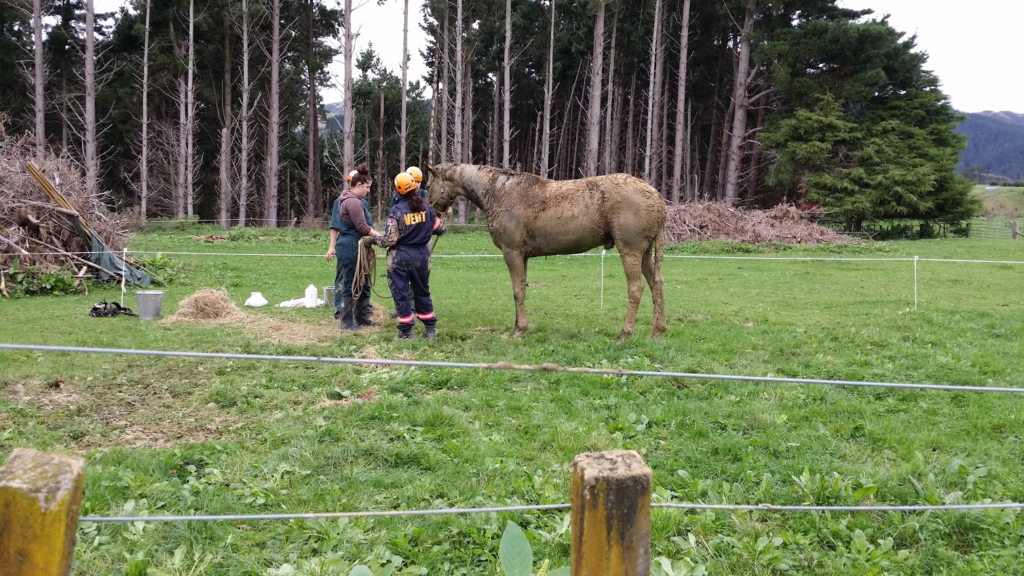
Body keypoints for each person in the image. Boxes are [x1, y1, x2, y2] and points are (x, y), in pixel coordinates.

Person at [374, 172, 446, 340]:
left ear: (398, 190)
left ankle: (406, 332)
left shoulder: (396, 211)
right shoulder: (426, 208)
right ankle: (430, 329)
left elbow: (389, 240)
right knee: (422, 291)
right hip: (422, 257)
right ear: (414, 186)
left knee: (402, 293)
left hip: (400, 257)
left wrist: (372, 240)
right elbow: (440, 229)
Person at [325, 163, 382, 330]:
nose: (368, 190)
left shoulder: (356, 200)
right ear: (359, 185)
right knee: (351, 282)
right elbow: (363, 227)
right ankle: (346, 321)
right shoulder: (353, 202)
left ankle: (362, 316)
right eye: (367, 187)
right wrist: (382, 238)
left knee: (364, 280)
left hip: (360, 245)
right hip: (351, 245)